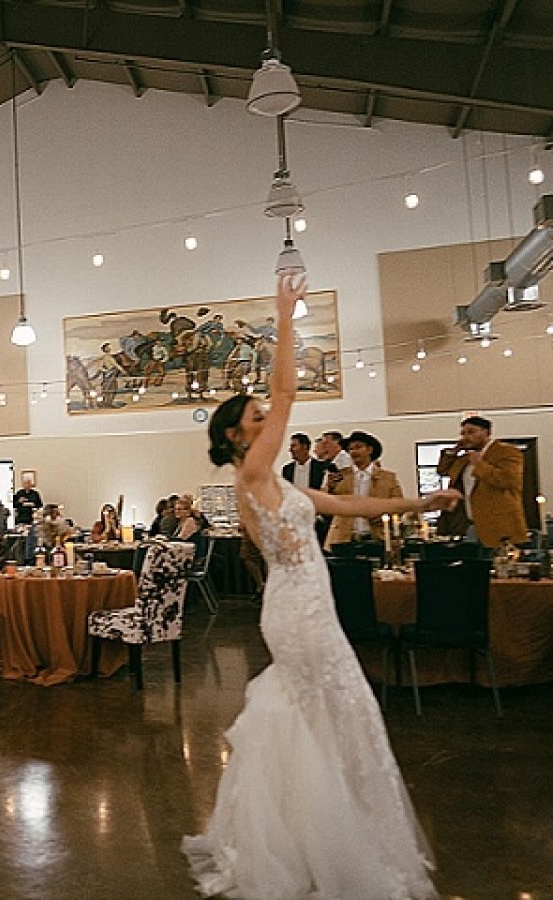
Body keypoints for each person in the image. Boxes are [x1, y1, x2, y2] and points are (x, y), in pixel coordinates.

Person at [182, 275, 457, 897]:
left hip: (308, 605)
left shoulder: (278, 484)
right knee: (332, 710)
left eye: (263, 417)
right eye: (256, 419)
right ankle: (328, 843)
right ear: (236, 436)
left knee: (321, 717)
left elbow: (341, 505)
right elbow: (284, 389)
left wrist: (421, 501)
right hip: (296, 612)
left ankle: (309, 833)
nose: (267, 419)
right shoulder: (250, 474)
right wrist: (285, 315)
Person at [436, 416, 527, 549]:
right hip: (468, 525)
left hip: (499, 525)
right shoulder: (465, 459)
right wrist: (453, 451)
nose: (465, 437)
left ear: (486, 432)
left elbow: (508, 480)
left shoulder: (507, 452)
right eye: (463, 433)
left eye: (471, 432)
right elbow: (442, 470)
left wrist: (480, 464)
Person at [324, 430, 403, 549]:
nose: (354, 452)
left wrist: (383, 515)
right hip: (344, 539)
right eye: (350, 449)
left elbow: (399, 506)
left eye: (358, 447)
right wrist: (330, 488)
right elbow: (326, 503)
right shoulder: (341, 476)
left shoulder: (387, 478)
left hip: (377, 538)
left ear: (370, 450)